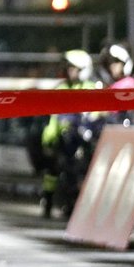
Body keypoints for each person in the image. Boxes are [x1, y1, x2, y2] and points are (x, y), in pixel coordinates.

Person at [38, 49, 100, 219]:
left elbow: (95, 114)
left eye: (75, 68)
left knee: (81, 171)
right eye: (69, 68)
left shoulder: (91, 88)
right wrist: (48, 140)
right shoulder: (61, 88)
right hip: (63, 138)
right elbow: (53, 119)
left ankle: (76, 204)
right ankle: (48, 200)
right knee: (53, 170)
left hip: (84, 138)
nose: (71, 71)